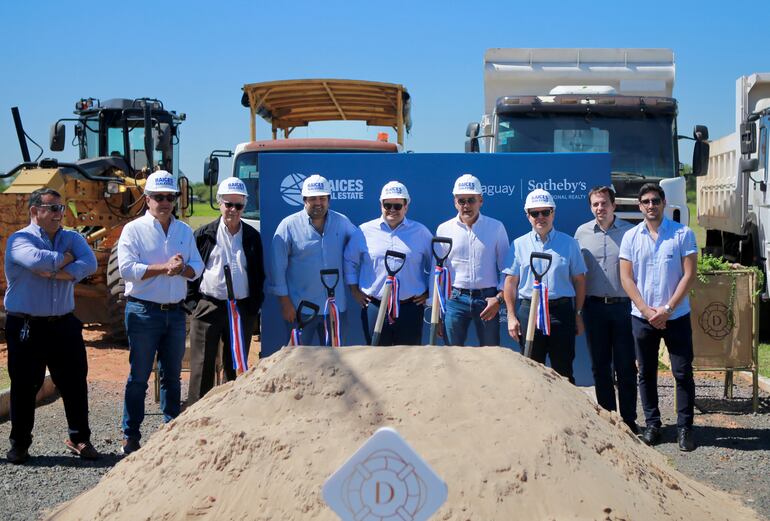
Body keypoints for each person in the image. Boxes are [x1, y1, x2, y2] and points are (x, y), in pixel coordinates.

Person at [3, 188, 100, 464]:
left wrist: (56, 272)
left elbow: (90, 263)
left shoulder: (71, 237)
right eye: (55, 208)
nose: (61, 214)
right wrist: (67, 261)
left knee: (74, 383)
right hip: (26, 325)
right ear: (35, 211)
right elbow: (37, 261)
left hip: (64, 325)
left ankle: (79, 438)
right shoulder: (19, 239)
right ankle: (19, 444)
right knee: (24, 386)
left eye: (62, 207)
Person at [117, 170, 203, 455]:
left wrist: (182, 269)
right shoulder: (133, 230)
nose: (164, 202)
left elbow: (197, 269)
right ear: (147, 198)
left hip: (176, 314)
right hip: (143, 312)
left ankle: (170, 432)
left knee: (172, 375)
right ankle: (131, 435)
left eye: (169, 197)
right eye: (158, 197)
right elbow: (127, 269)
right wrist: (165, 267)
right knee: (139, 376)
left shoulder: (184, 231)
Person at [619, 183, 698, 451]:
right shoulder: (630, 237)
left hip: (675, 315)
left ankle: (685, 428)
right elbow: (626, 278)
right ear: (640, 206)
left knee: (682, 371)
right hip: (642, 317)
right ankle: (653, 424)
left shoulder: (683, 234)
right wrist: (646, 310)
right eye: (645, 202)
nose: (650, 205)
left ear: (664, 203)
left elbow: (689, 275)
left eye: (655, 200)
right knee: (646, 372)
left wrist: (668, 309)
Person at [187, 177, 264, 405]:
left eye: (238, 205)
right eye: (228, 204)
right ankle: (196, 416)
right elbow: (192, 273)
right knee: (202, 367)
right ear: (219, 203)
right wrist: (195, 305)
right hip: (209, 306)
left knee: (236, 366)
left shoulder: (251, 237)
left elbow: (259, 274)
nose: (232, 210)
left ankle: (233, 412)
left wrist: (252, 306)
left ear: (244, 206)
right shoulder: (204, 235)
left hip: (241, 310)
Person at [503, 188, 586, 383]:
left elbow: (580, 281)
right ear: (528, 216)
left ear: (553, 212)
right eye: (534, 213)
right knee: (531, 370)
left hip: (561, 313)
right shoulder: (518, 245)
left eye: (545, 212)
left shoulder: (570, 243)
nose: (540, 217)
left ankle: (566, 413)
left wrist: (578, 314)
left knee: (564, 370)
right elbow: (510, 282)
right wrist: (511, 316)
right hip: (528, 312)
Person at [574, 186, 638, 433]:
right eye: (595, 205)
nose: (600, 208)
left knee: (625, 366)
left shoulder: (630, 233)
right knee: (599, 366)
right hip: (594, 308)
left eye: (604, 204)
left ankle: (630, 420)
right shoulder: (581, 233)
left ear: (614, 205)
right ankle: (609, 420)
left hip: (623, 308)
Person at [271, 175, 357, 345]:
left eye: (322, 198)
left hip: (334, 308)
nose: (318, 202)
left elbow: (361, 247)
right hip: (300, 309)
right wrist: (285, 303)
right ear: (304, 200)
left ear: (329, 200)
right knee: (297, 359)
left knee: (336, 362)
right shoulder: (287, 226)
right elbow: (277, 268)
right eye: (313, 198)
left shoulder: (342, 222)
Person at [345, 181, 433, 345]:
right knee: (377, 360)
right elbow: (349, 260)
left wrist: (429, 293)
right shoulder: (364, 231)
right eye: (387, 205)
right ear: (381, 205)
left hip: (410, 308)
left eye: (397, 206)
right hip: (375, 307)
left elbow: (435, 263)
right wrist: (354, 290)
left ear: (406, 206)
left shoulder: (421, 232)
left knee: (410, 360)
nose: (392, 209)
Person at [436, 174, 509, 346]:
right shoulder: (444, 229)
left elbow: (507, 269)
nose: (466, 206)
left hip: (487, 300)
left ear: (481, 200)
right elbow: (438, 271)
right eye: (461, 201)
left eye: (471, 200)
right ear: (455, 202)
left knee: (491, 357)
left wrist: (499, 298)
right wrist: (437, 311)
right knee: (452, 356)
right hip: (454, 299)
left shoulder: (496, 227)